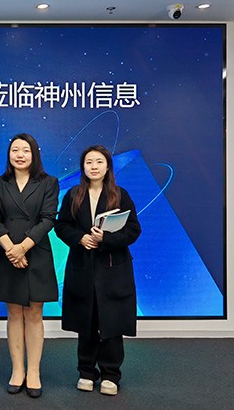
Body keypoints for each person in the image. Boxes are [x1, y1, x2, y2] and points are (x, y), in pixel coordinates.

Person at [54, 145, 141, 397]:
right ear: (83, 167)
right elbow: (61, 226)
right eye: (89, 162)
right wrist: (80, 238)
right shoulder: (73, 194)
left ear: (107, 166)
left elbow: (133, 229)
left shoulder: (120, 195)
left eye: (99, 161)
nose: (94, 166)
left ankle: (111, 374)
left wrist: (105, 239)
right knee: (87, 322)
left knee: (111, 323)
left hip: (113, 269)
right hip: (83, 266)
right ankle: (86, 372)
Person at [0, 133, 59, 399]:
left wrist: (23, 247)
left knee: (35, 313)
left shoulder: (48, 182)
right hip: (7, 254)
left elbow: (48, 219)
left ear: (34, 154)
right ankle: (17, 370)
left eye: (25, 150)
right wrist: (11, 249)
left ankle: (34, 372)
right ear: (9, 154)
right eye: (15, 150)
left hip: (36, 253)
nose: (20, 155)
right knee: (14, 312)